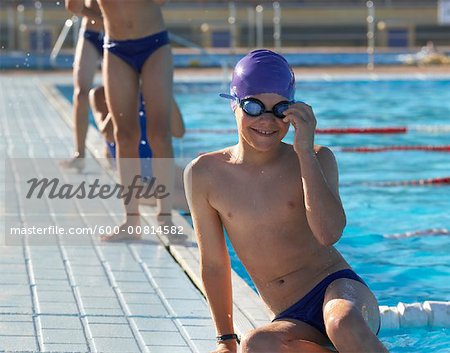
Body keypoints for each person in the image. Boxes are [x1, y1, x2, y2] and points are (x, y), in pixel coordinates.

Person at [184, 50, 388, 353]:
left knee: (342, 323)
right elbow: (214, 264)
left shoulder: (317, 158)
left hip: (340, 291)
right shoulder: (204, 174)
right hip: (292, 316)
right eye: (254, 106)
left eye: (279, 109)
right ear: (233, 104)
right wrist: (226, 340)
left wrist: (304, 151)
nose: (267, 120)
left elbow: (328, 233)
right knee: (257, 344)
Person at [97, 0, 175, 240]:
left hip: (154, 45)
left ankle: (165, 217)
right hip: (116, 47)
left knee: (159, 133)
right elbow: (74, 7)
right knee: (124, 135)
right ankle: (131, 221)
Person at [89, 86, 189, 214]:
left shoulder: (154, 90)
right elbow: (108, 134)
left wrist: (163, 92)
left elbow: (178, 131)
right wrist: (129, 95)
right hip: (130, 179)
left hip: (157, 166)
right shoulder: (99, 93)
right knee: (188, 200)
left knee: (202, 184)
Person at [60, 0, 104, 171]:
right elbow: (73, 6)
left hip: (119, 35)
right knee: (81, 94)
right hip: (91, 33)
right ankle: (80, 154)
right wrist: (104, 19)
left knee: (119, 99)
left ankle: (113, 146)